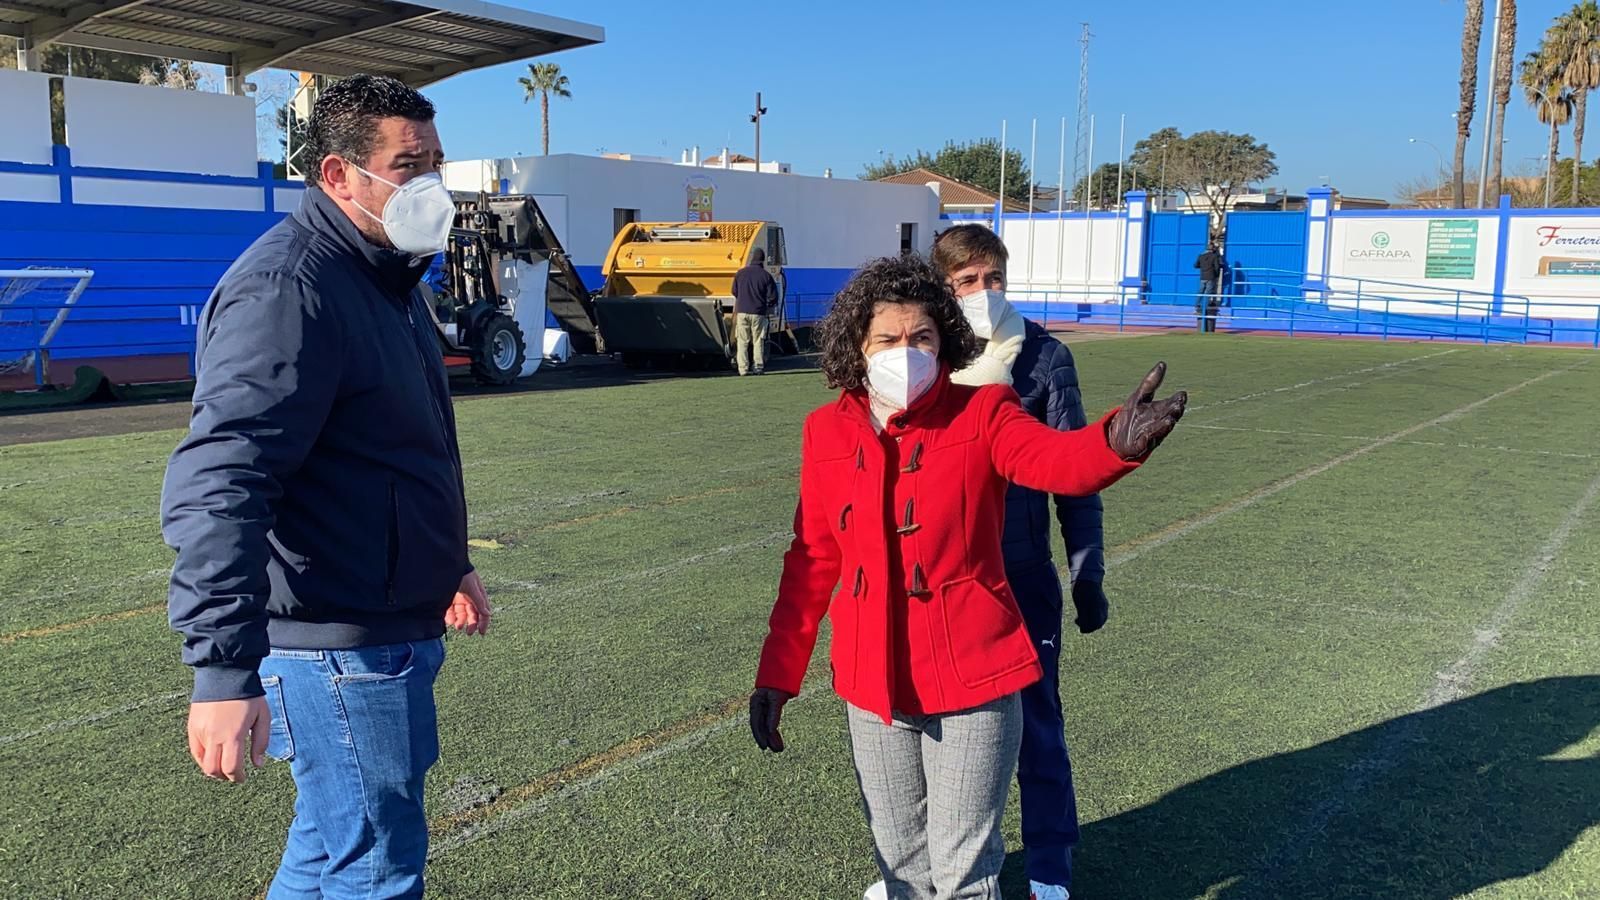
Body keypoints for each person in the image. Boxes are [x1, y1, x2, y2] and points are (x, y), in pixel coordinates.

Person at [749, 254, 1185, 900]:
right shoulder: (825, 431)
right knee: (901, 866)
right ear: (856, 348)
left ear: (945, 340)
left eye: (921, 338)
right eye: (888, 340)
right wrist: (777, 673)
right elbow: (812, 558)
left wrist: (1112, 445)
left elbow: (1054, 460)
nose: (907, 353)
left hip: (973, 680)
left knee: (964, 872)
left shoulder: (984, 413)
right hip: (872, 685)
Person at [160, 74, 491, 900]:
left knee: (332, 851)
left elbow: (401, 447)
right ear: (338, 174)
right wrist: (221, 671)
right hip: (334, 645)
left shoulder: (383, 274)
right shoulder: (291, 287)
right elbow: (221, 480)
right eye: (408, 165)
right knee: (374, 865)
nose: (430, 186)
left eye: (436, 164)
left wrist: (447, 561)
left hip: (377, 624)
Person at [854, 223, 1099, 900]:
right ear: (942, 288)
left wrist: (1089, 572)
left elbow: (1074, 470)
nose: (984, 292)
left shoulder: (1043, 358)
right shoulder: (923, 363)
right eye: (967, 281)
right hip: (937, 584)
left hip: (1018, 577)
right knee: (923, 732)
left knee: (1037, 728)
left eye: (994, 278)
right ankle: (916, 872)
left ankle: (1050, 864)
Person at [733, 246, 779, 375]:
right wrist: (767, 304)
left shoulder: (740, 273)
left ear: (752, 259)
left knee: (742, 341)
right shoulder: (766, 276)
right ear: (763, 260)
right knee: (758, 340)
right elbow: (773, 297)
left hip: (742, 311)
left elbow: (734, 291)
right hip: (758, 312)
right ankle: (758, 366)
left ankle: (742, 369)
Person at [1194, 242, 1226, 333]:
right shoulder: (1214, 256)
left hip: (1203, 276)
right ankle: (1205, 305)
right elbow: (1217, 267)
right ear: (1213, 249)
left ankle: (1197, 305)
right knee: (1208, 292)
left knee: (1201, 291)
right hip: (1211, 277)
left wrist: (1203, 267)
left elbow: (1196, 265)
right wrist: (1216, 275)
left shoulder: (1201, 256)